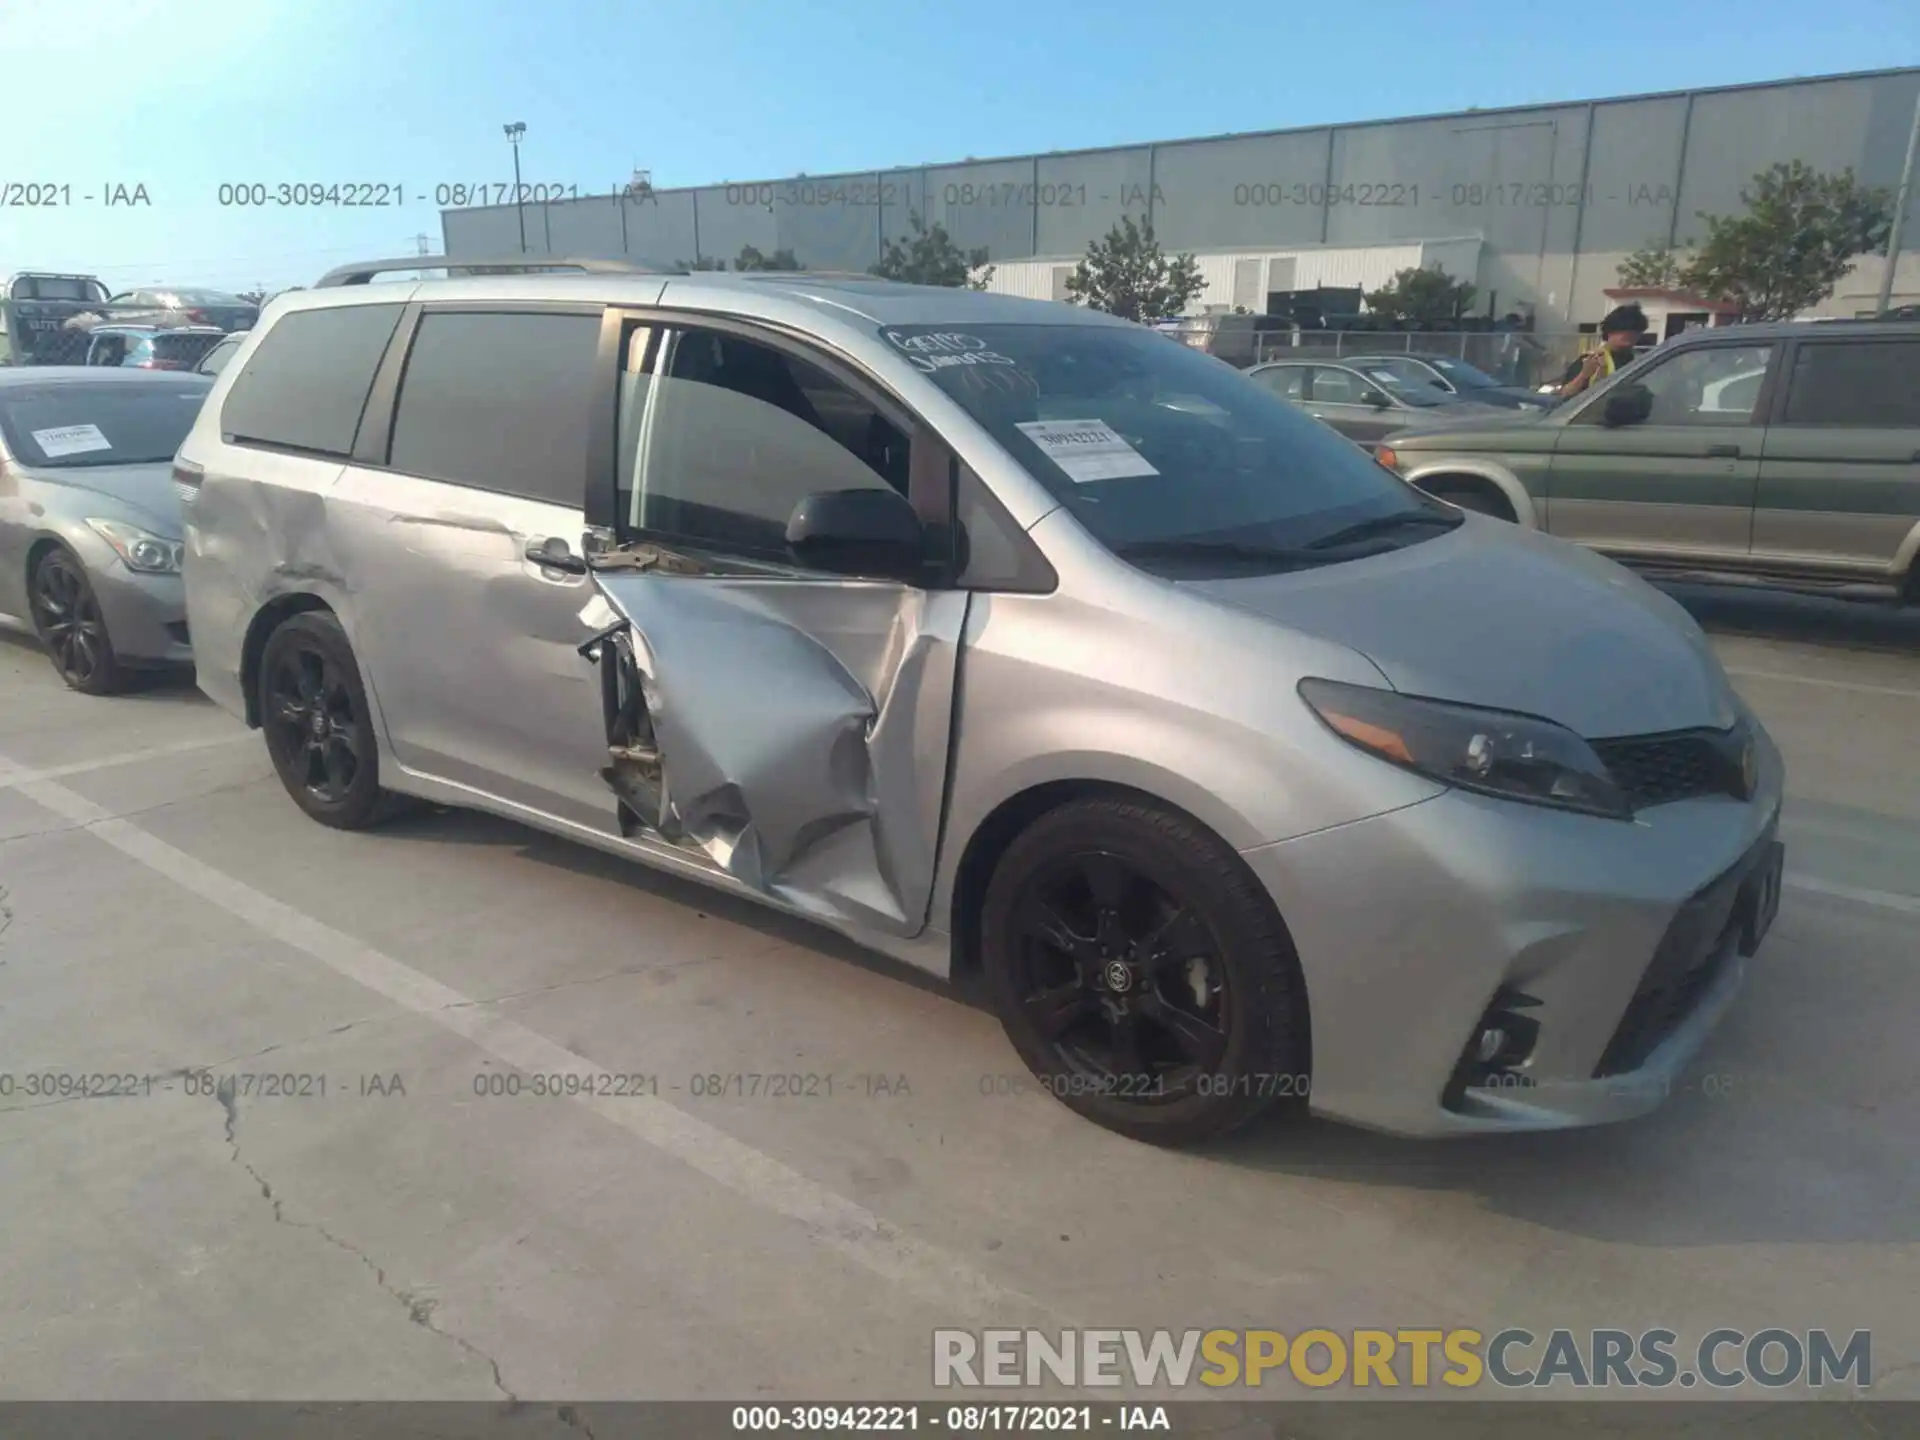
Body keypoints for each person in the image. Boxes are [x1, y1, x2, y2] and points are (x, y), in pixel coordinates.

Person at [1555, 303, 1646, 399]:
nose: (1629, 334)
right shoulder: (1592, 359)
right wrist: (1584, 375)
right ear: (1609, 331)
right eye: (1623, 329)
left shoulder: (1643, 359)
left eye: (1635, 330)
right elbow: (1565, 394)